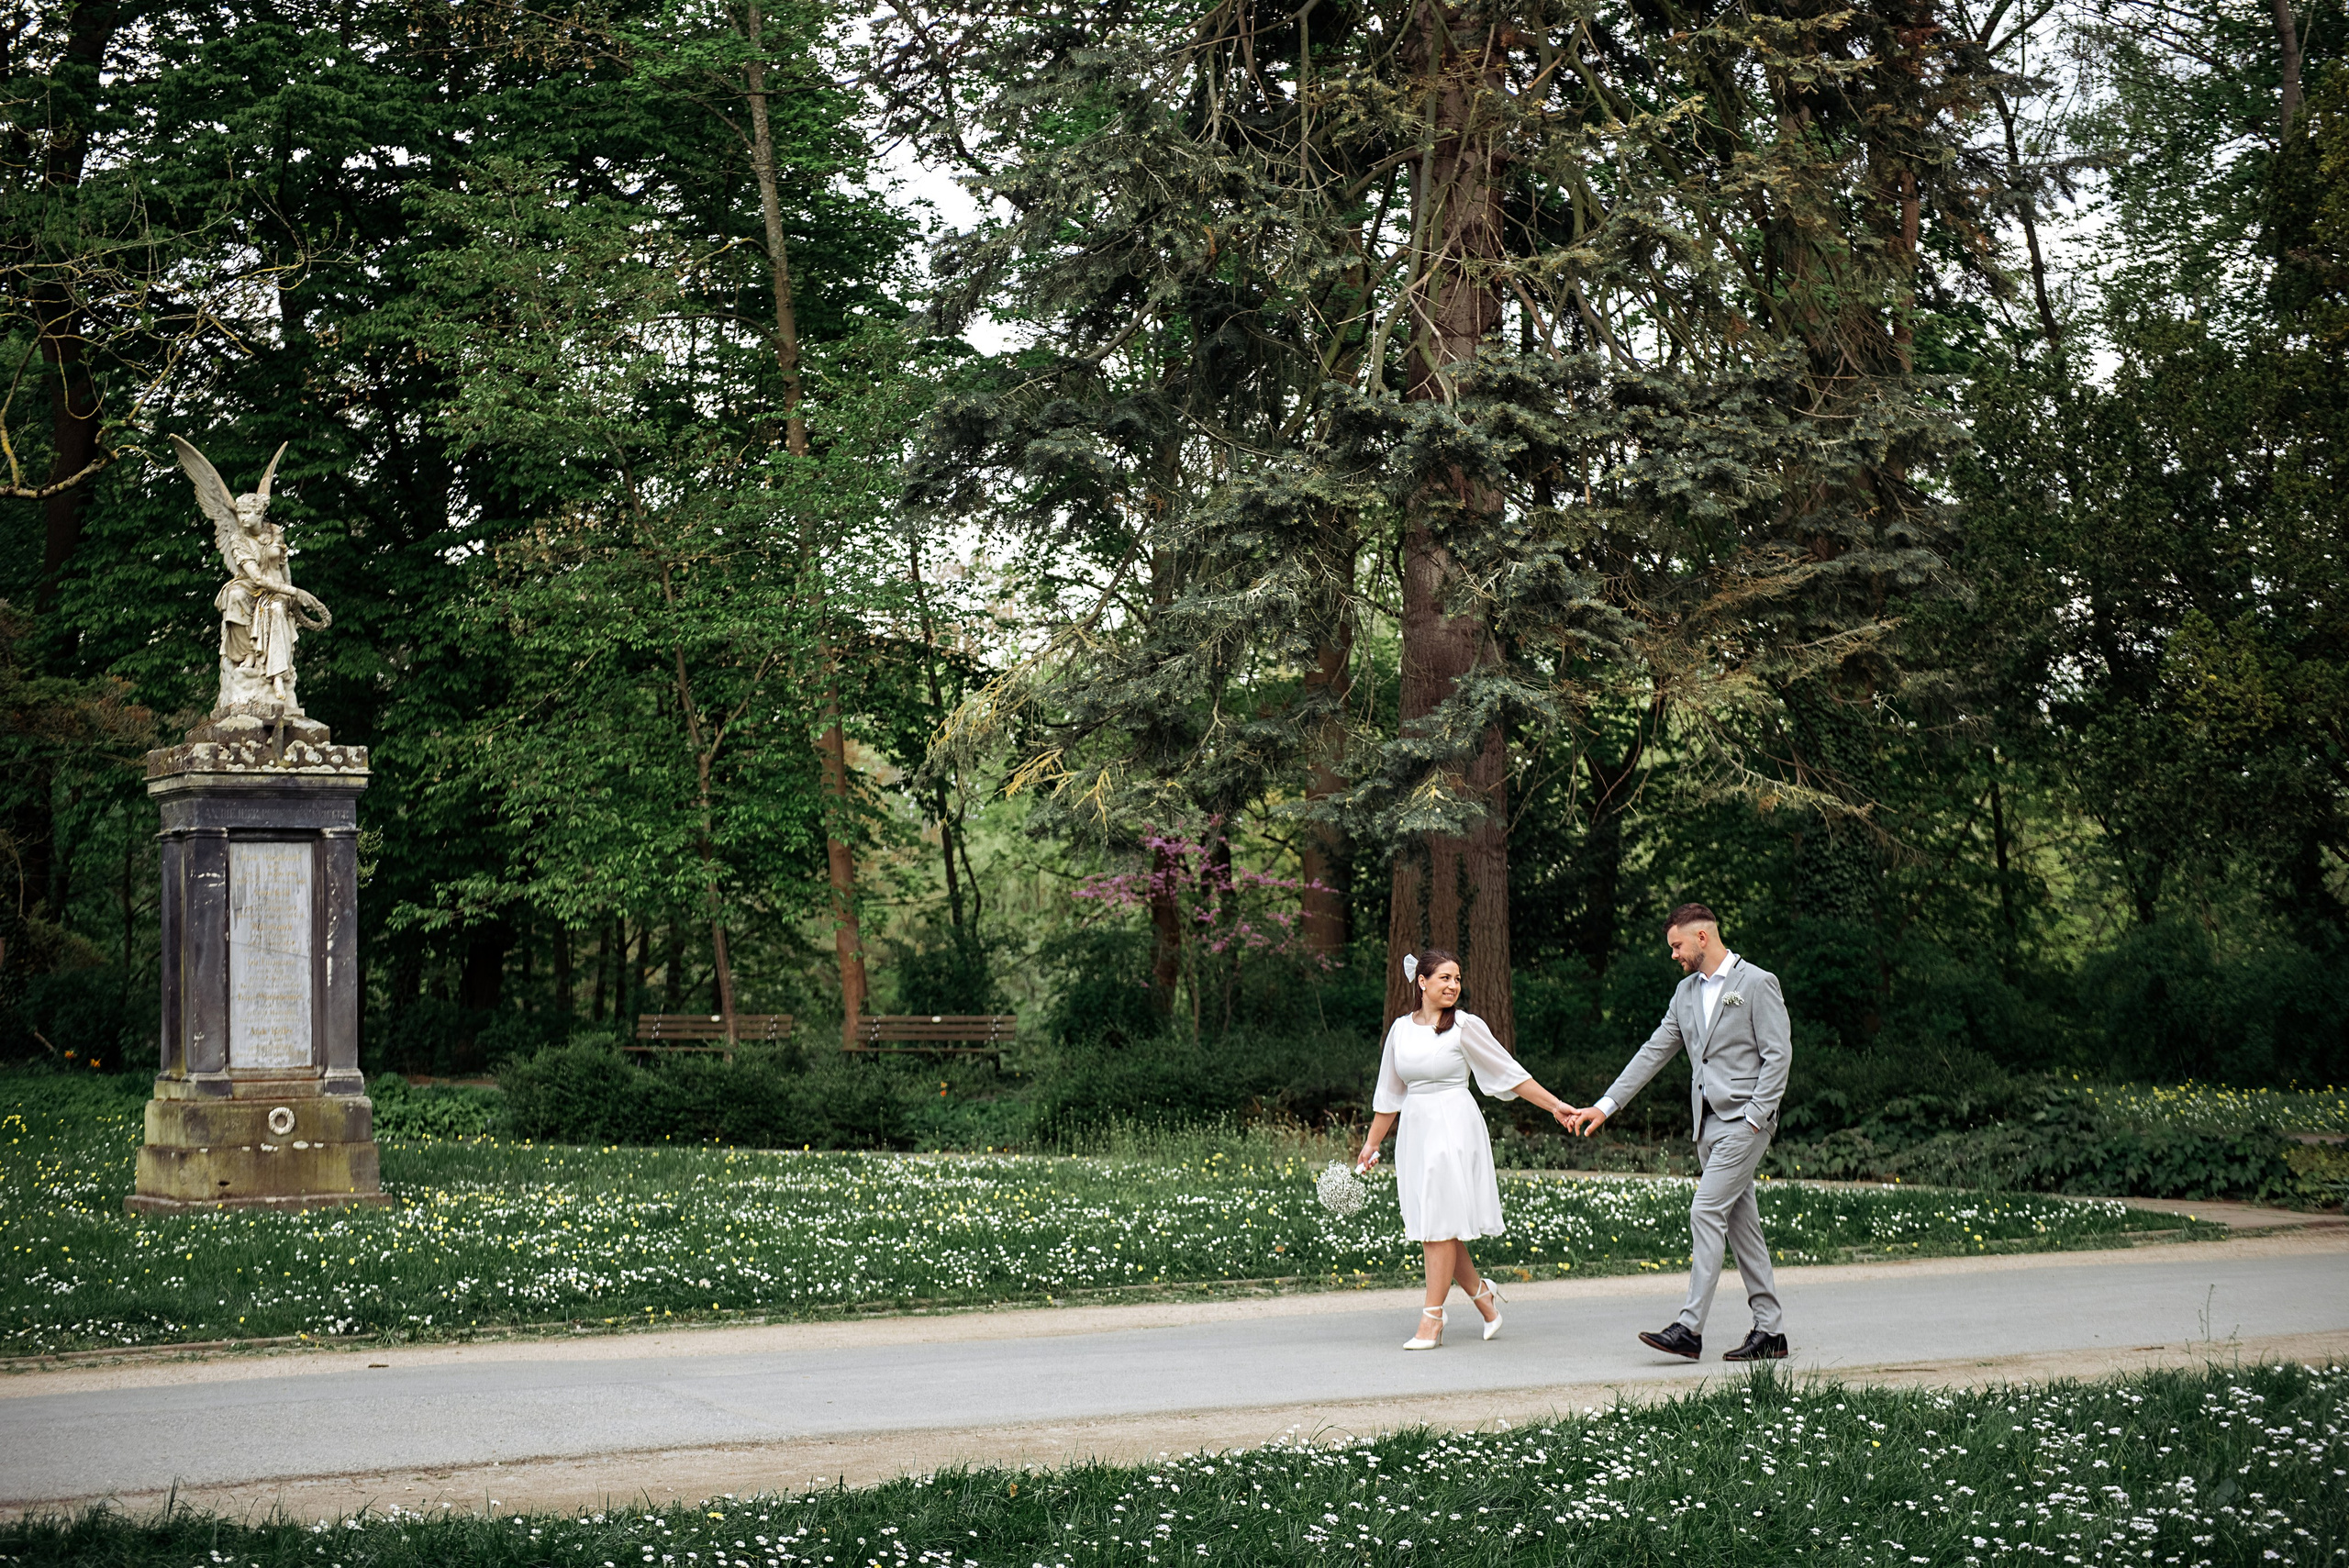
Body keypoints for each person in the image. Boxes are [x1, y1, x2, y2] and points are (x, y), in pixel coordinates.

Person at [1567, 903, 1791, 1362]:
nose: (1674, 954)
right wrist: (1607, 1105)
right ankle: (1771, 1333)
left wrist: (1755, 1116)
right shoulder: (1686, 993)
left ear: (1703, 937)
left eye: (1677, 945)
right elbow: (1653, 1051)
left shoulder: (1757, 983)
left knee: (1705, 1210)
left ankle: (1689, 1329)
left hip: (1744, 1124)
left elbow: (1778, 1056)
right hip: (1706, 1126)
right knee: (1741, 1225)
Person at [1357, 948, 1581, 1350]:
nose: (1453, 986)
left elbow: (1508, 1072)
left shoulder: (1464, 1026)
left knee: (1438, 1225)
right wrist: (1371, 1144)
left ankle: (1432, 1319)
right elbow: (1389, 1093)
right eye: (1444, 978)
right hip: (1416, 1130)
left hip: (1454, 1127)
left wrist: (1554, 1105)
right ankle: (1484, 1297)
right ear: (1422, 982)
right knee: (1435, 1222)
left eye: (1457, 979)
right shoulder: (1400, 1030)